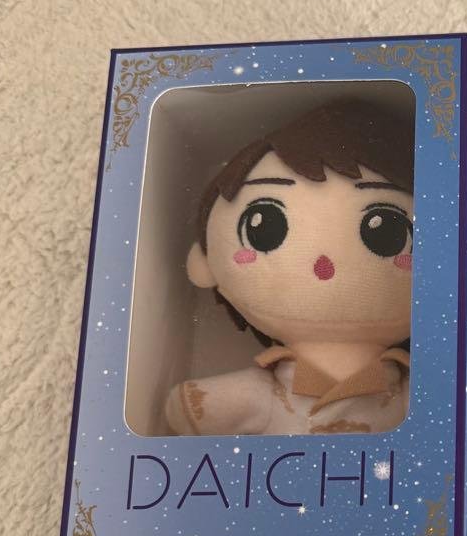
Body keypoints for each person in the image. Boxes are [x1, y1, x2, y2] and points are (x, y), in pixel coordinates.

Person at [165, 100, 414, 436]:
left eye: (386, 232)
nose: (323, 264)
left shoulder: (411, 396)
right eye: (264, 227)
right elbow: (195, 408)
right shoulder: (270, 392)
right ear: (204, 265)